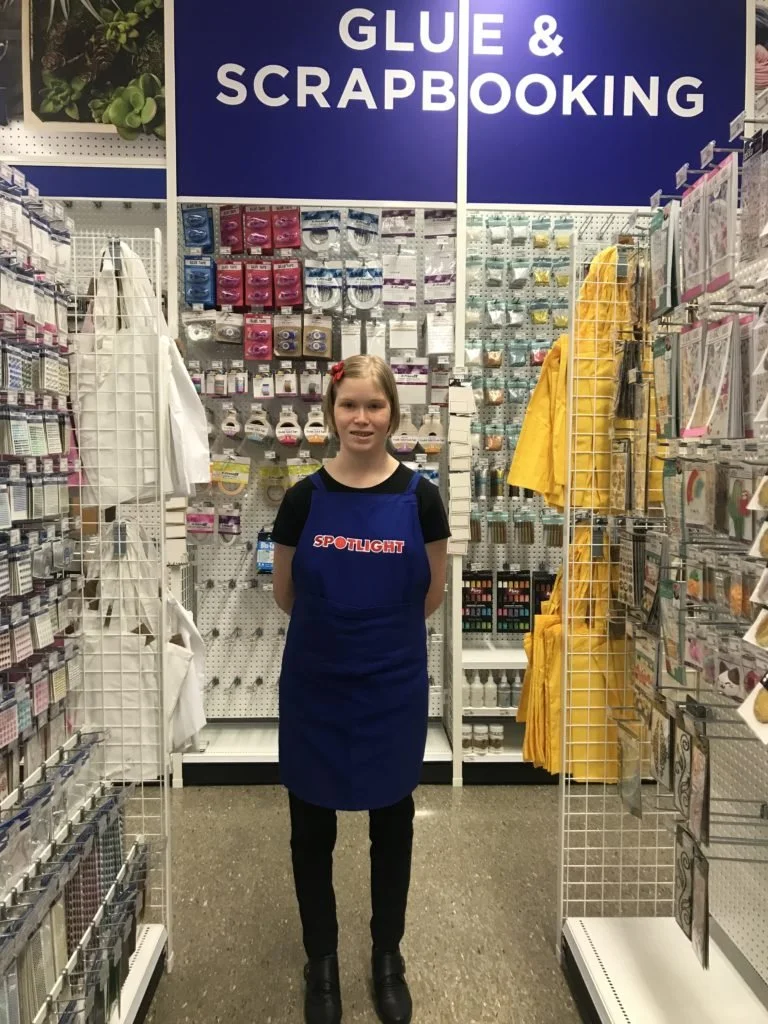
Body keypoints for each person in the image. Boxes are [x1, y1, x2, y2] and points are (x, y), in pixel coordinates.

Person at [272, 355, 449, 1024]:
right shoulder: (302, 500)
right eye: (349, 405)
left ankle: (386, 956)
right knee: (310, 828)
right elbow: (285, 594)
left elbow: (430, 596)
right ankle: (320, 961)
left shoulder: (422, 499)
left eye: (374, 405)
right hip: (316, 684)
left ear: (393, 413)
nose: (362, 418)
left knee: (392, 825)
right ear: (331, 413)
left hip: (391, 686)